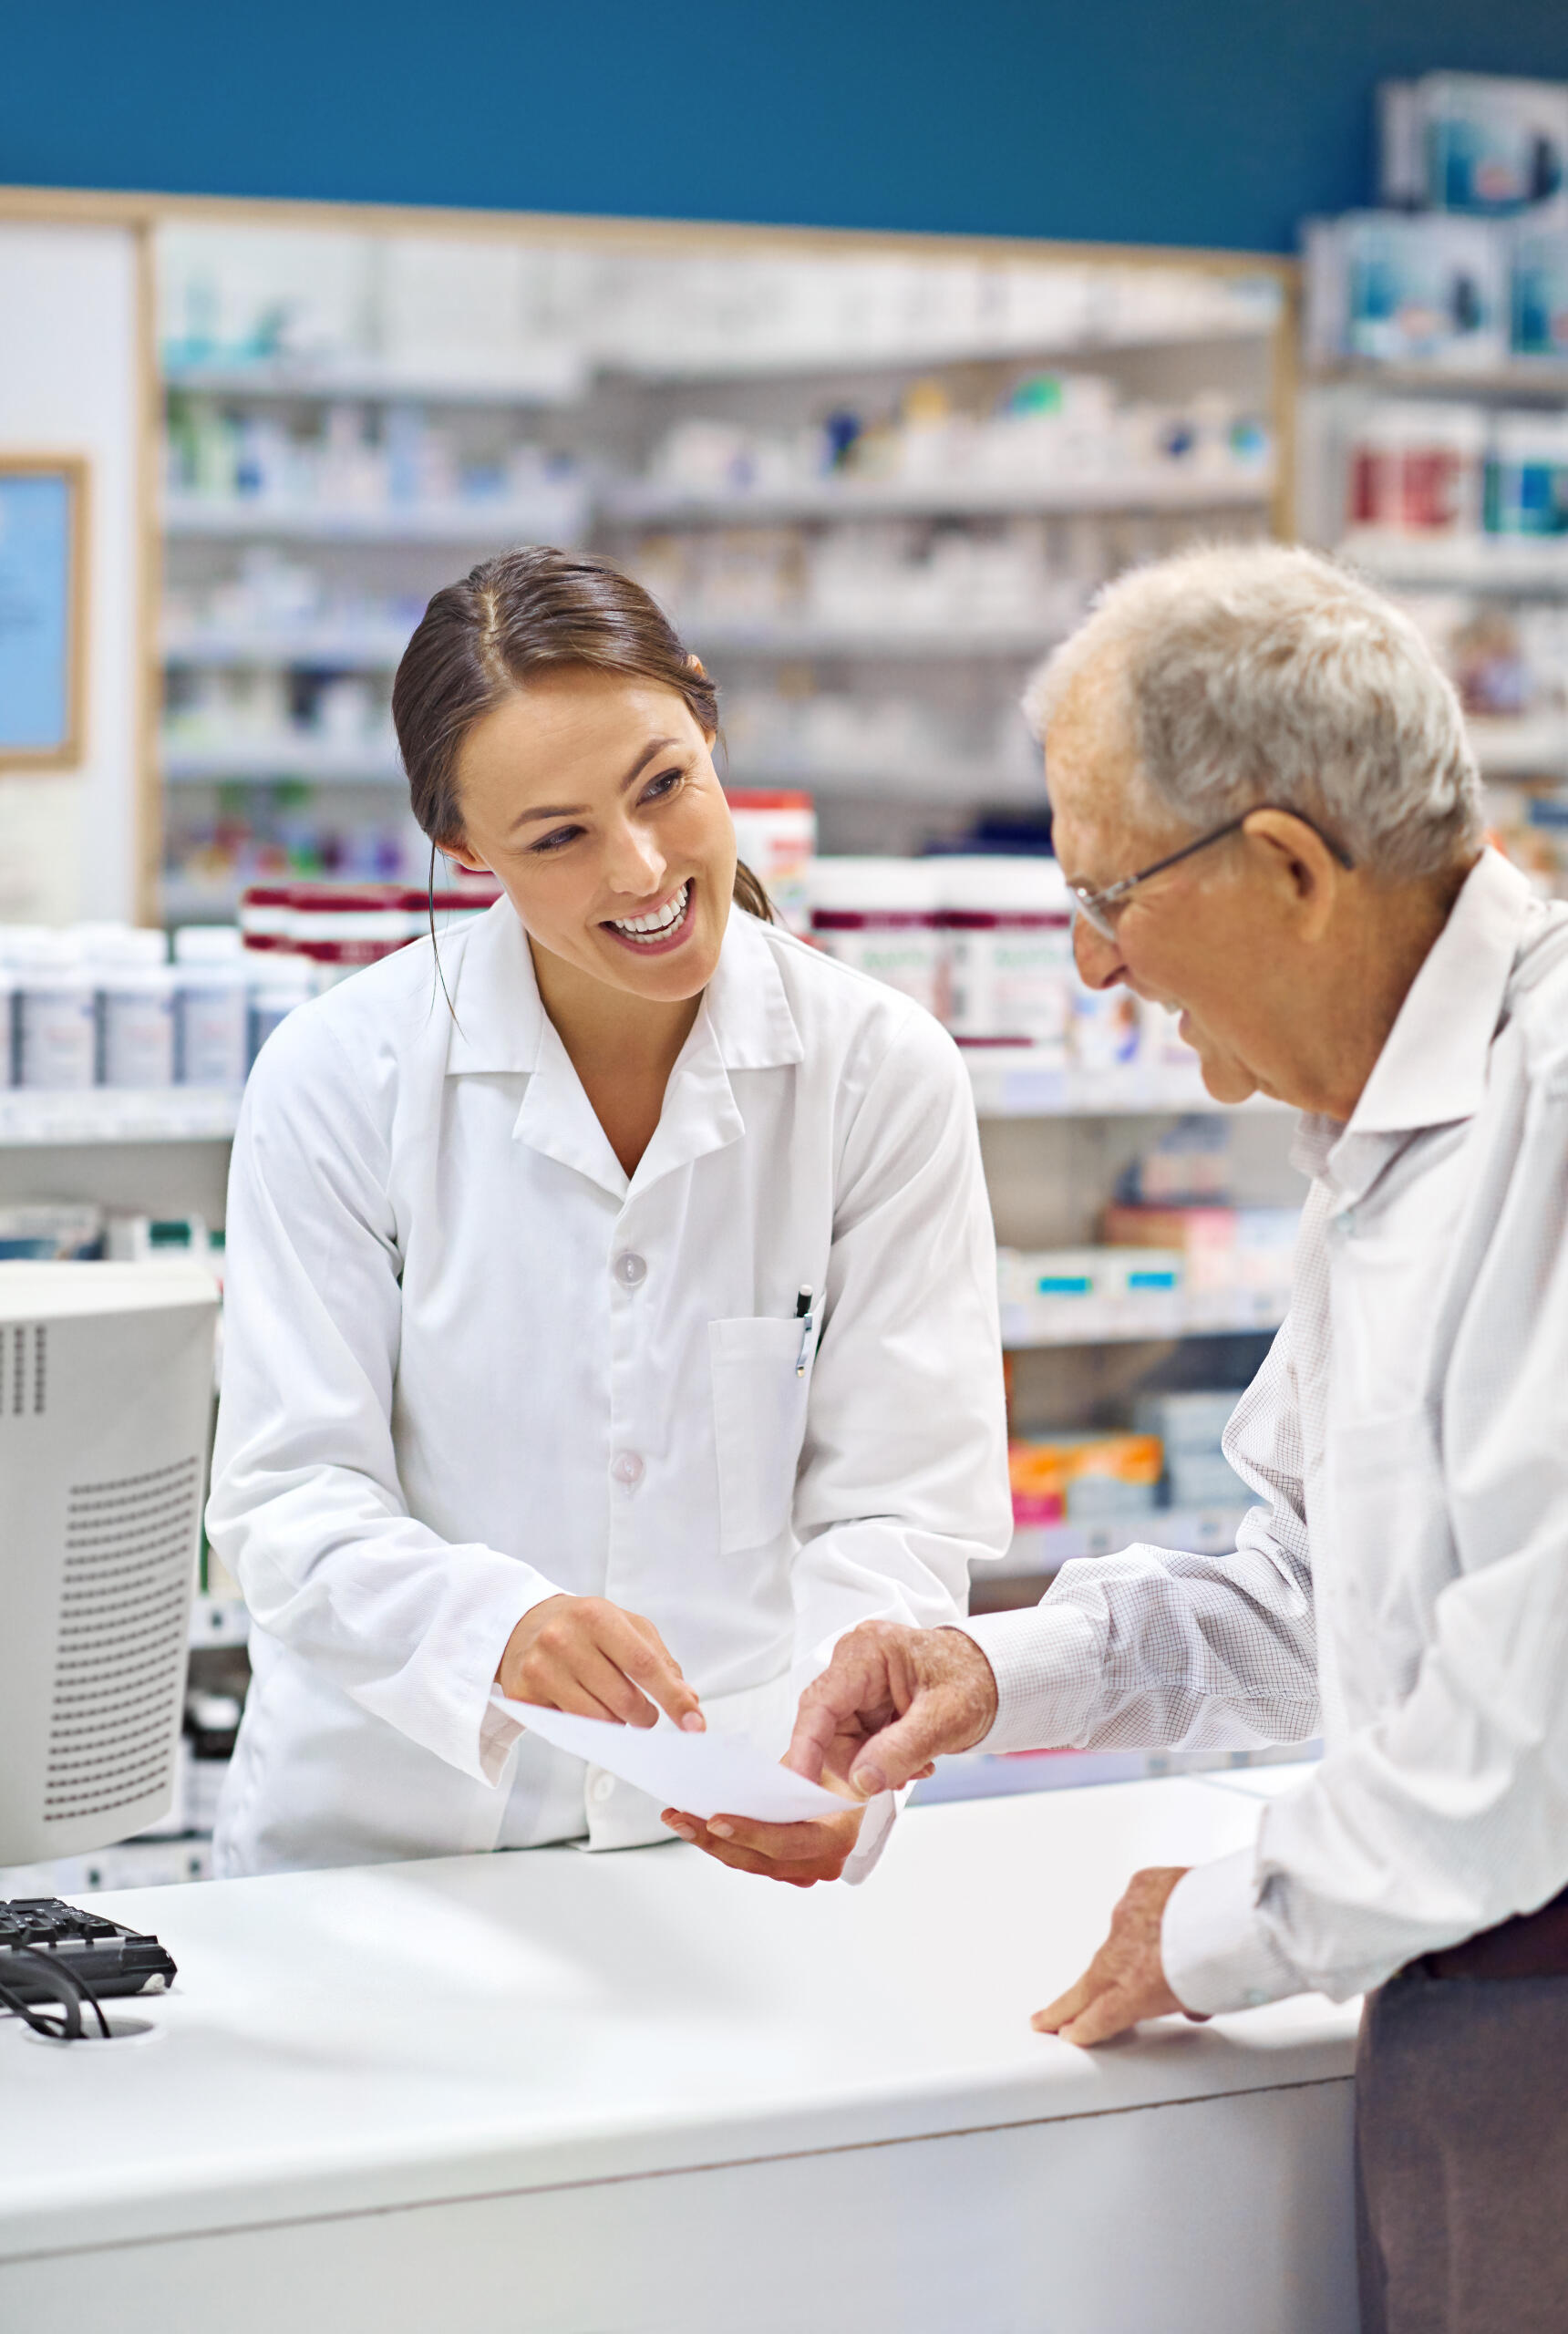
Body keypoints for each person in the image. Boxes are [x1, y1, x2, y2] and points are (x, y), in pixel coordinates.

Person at [781, 542, 1568, 2334]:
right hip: (1455, 1997)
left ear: (1287, 866)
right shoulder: (1385, 1129)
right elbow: (1315, 1590)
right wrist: (993, 1671)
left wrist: (1216, 1924)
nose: (1089, 959)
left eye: (1109, 893)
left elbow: (1524, 1733)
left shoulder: (1544, 1122)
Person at [207, 547, 1009, 1885]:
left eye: (663, 787)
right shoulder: (342, 1076)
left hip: (719, 1837)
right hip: (383, 1854)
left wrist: (841, 1755)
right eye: (558, 837)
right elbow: (289, 1496)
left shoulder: (878, 1073)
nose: (641, 870)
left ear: (706, 722)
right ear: (464, 849)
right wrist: (492, 1630)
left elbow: (900, 1503)